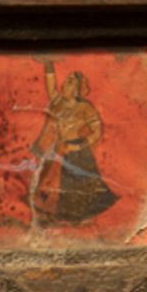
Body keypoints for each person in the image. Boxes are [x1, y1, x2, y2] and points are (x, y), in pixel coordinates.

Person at [29, 62, 118, 226]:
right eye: (66, 80)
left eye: (70, 82)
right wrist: (48, 65)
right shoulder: (60, 103)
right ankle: (53, 216)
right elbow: (51, 90)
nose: (65, 84)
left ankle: (75, 219)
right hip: (60, 149)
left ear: (77, 88)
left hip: (77, 150)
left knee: (77, 186)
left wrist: (76, 147)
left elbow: (97, 132)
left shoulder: (85, 108)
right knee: (51, 182)